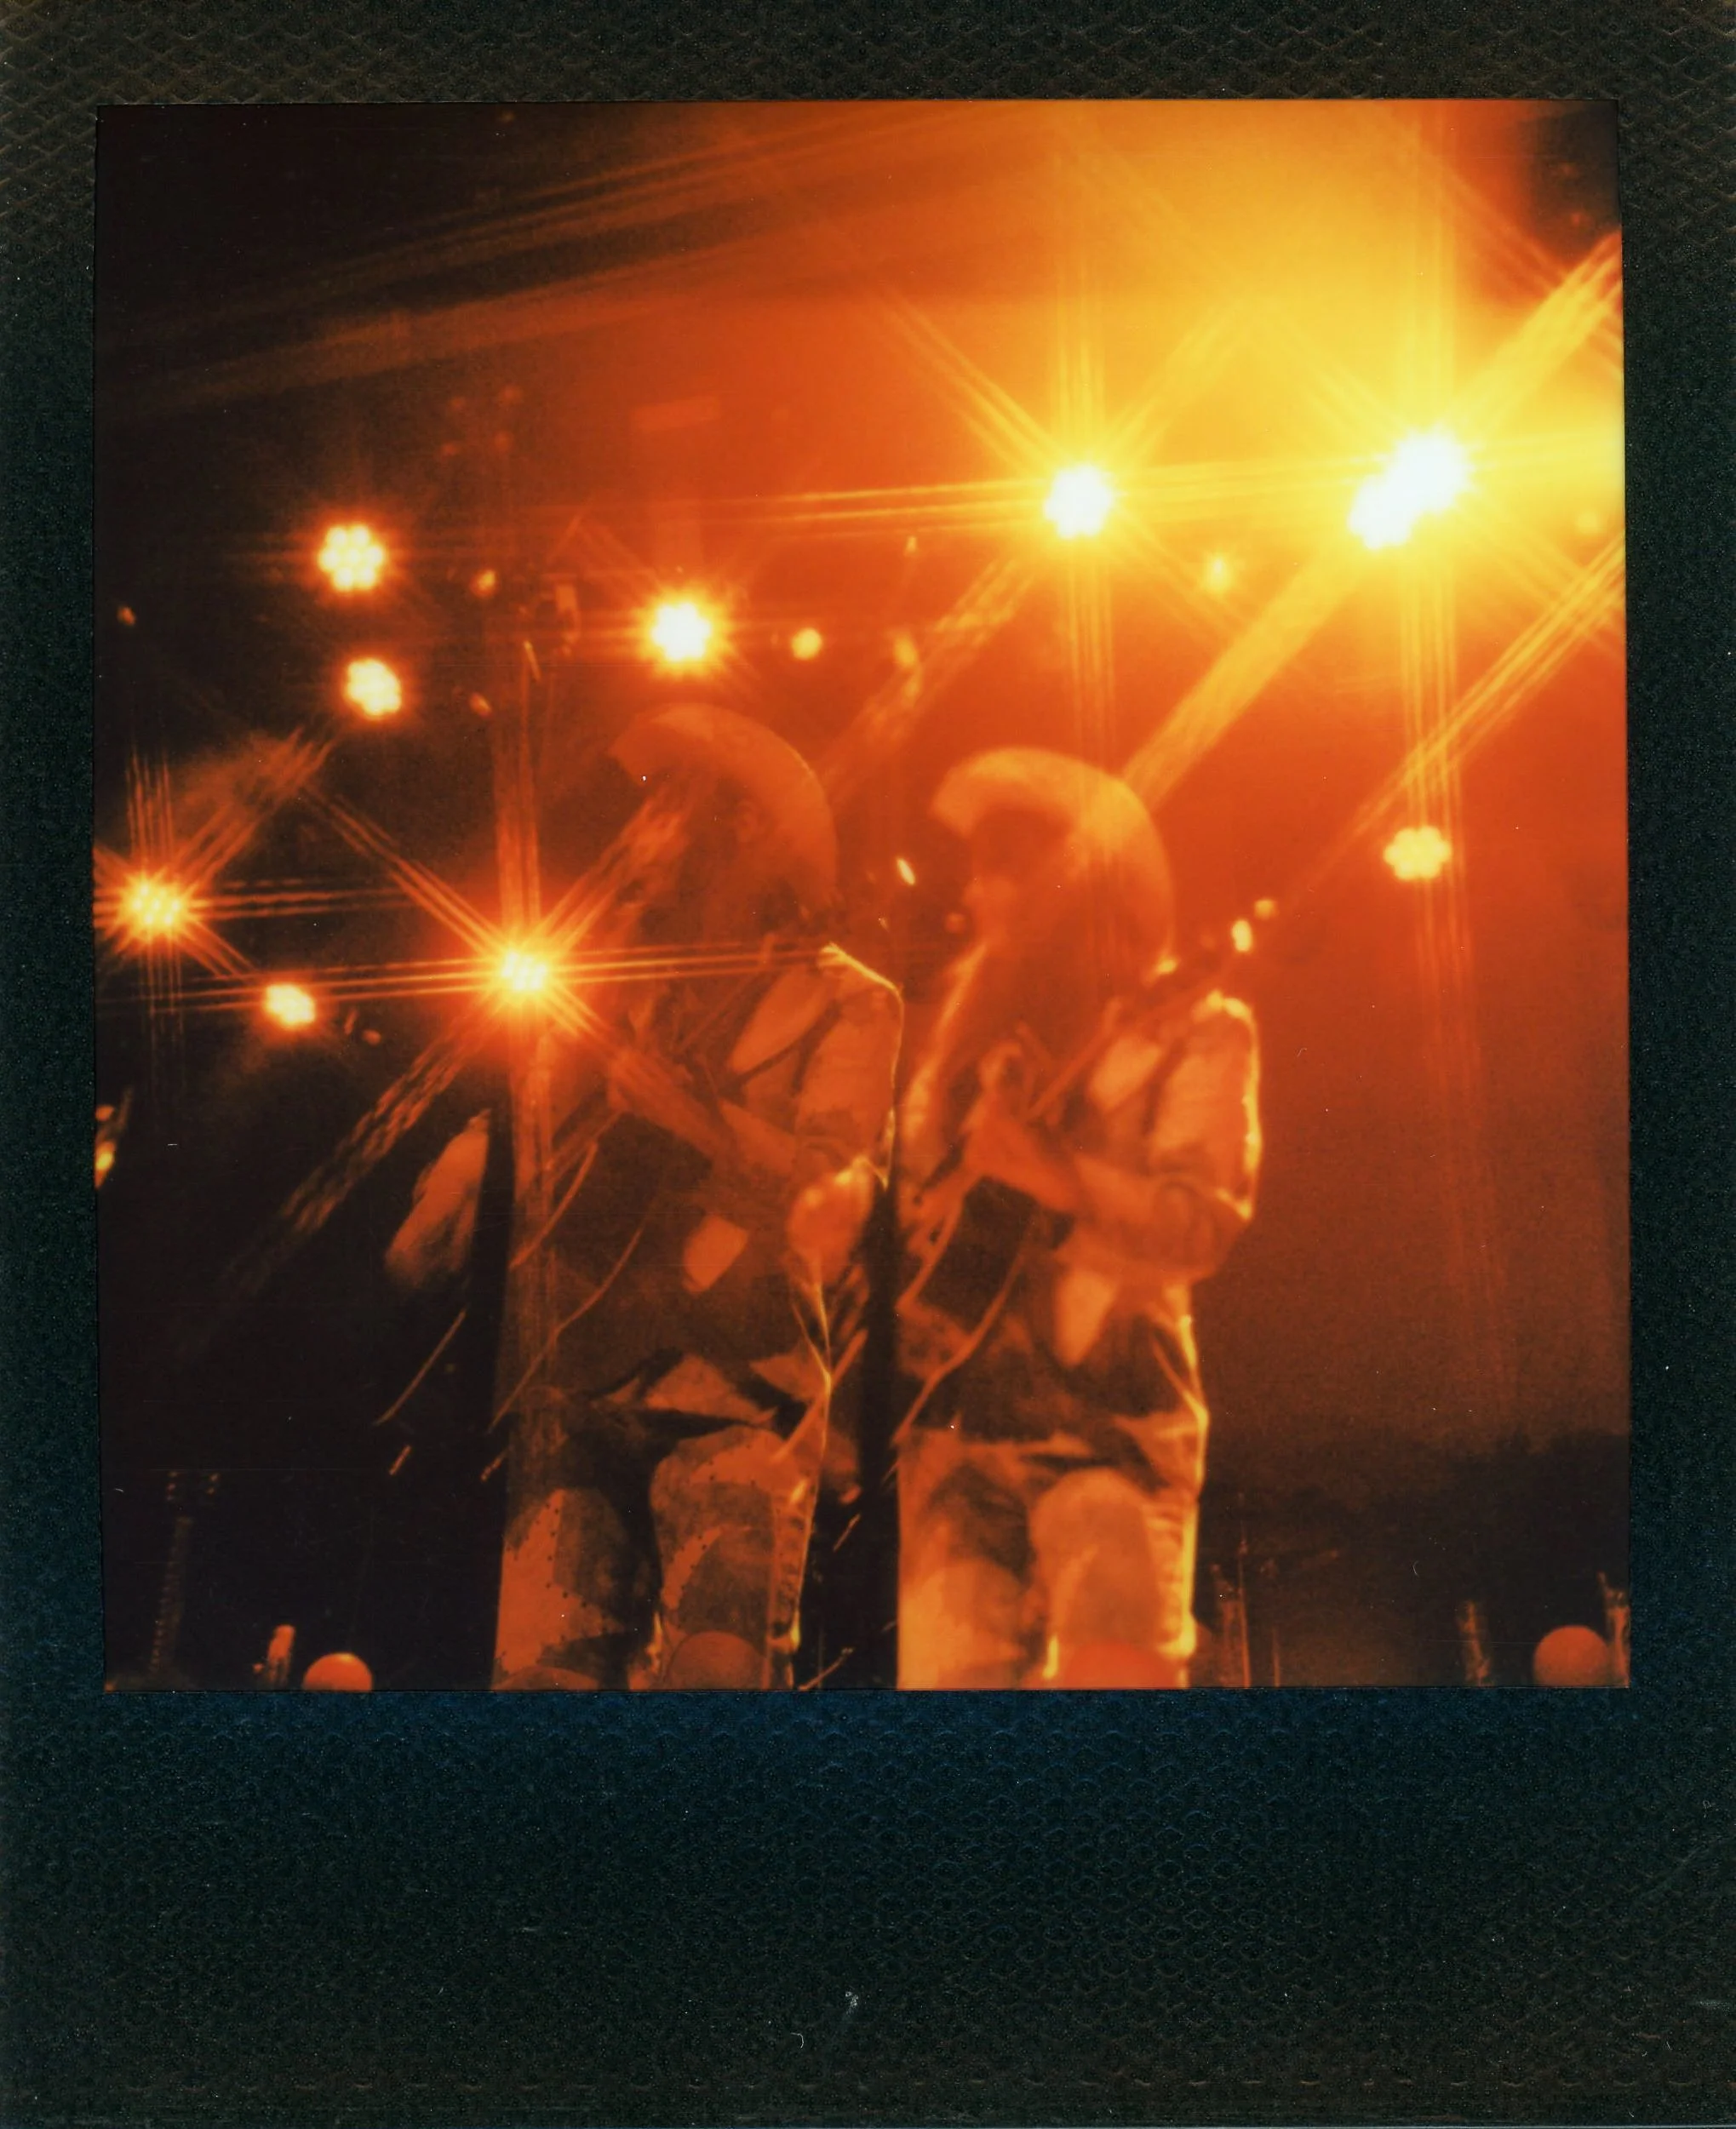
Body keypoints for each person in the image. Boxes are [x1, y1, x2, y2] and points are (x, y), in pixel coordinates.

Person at [391, 703, 902, 1690]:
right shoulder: (622, 975)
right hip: (572, 1380)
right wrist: (455, 1178)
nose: (637, 834)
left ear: (742, 827)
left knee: (718, 1673)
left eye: (665, 808)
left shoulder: (849, 997)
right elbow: (532, 1120)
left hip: (737, 1391)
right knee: (540, 1683)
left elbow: (836, 1198)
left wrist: (697, 1122)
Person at [895, 749, 1259, 1689]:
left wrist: (1063, 1180)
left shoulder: (1191, 1025)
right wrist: (850, 1217)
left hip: (1111, 1429)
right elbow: (912, 1210)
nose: (971, 892)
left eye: (998, 868)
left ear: (1065, 888)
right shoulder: (961, 1046)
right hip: (953, 1442)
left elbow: (1200, 1224)